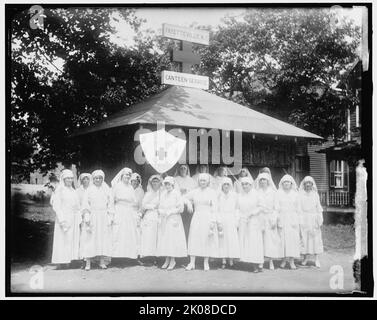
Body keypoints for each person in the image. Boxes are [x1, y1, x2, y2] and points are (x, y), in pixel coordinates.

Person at [185, 173, 219, 271]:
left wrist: (213, 220)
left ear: (208, 181)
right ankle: (192, 262)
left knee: (206, 238)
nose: (202, 182)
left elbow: (215, 207)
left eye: (204, 180)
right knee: (194, 237)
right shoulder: (195, 192)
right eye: (201, 180)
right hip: (197, 216)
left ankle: (206, 262)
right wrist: (189, 204)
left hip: (207, 216)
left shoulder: (212, 192)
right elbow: (183, 197)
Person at [80, 169, 113, 270]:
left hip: (103, 216)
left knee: (102, 239)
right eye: (95, 178)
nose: (98, 180)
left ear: (102, 179)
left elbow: (110, 204)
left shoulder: (106, 189)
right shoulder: (89, 190)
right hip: (92, 216)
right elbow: (85, 204)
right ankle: (88, 262)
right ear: (93, 179)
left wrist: (110, 216)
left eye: (100, 178)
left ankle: (102, 261)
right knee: (90, 239)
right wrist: (87, 216)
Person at [50, 169, 81, 268]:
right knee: (63, 240)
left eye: (71, 178)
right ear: (63, 179)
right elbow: (56, 206)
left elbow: (77, 205)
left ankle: (71, 260)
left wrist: (79, 217)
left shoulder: (73, 191)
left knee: (73, 239)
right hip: (63, 217)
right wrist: (62, 220)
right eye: (68, 178)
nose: (70, 180)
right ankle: (62, 262)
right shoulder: (59, 190)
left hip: (73, 217)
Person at [156, 176, 187, 270]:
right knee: (165, 239)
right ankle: (167, 259)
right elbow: (160, 206)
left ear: (172, 184)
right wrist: (162, 211)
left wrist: (171, 211)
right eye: (165, 184)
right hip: (165, 219)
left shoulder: (176, 194)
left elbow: (181, 208)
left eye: (169, 184)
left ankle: (173, 259)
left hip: (174, 219)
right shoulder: (163, 194)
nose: (167, 186)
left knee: (172, 239)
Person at [111, 167, 139, 261]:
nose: (127, 176)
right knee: (118, 232)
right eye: (126, 174)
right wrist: (112, 213)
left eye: (129, 175)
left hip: (129, 212)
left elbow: (134, 200)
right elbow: (112, 200)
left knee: (128, 233)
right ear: (122, 176)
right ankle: (116, 257)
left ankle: (128, 256)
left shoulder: (130, 187)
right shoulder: (117, 186)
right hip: (119, 210)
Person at [237, 176, 264, 272]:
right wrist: (240, 216)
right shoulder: (240, 195)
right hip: (243, 220)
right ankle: (247, 262)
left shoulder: (256, 194)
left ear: (251, 185)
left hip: (254, 220)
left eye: (246, 184)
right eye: (243, 184)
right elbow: (237, 208)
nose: (244, 186)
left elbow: (261, 207)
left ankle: (256, 263)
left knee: (254, 242)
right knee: (245, 241)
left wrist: (252, 213)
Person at [255, 172, 281, 270]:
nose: (262, 182)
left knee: (270, 240)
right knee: (260, 240)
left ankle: (270, 261)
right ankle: (260, 261)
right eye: (261, 180)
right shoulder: (256, 192)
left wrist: (274, 218)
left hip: (270, 218)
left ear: (268, 181)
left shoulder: (273, 193)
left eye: (264, 180)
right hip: (260, 217)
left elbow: (276, 208)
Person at [275, 174, 301, 270]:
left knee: (292, 240)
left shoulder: (295, 194)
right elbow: (276, 207)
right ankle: (284, 259)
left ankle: (292, 260)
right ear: (282, 183)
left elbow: (299, 208)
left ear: (291, 184)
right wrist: (277, 217)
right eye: (284, 182)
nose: (286, 184)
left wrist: (297, 219)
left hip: (292, 219)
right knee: (283, 240)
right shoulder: (278, 193)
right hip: (282, 218)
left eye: (288, 182)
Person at [298, 176, 324, 268]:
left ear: (312, 184)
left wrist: (319, 219)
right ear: (304, 185)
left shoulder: (315, 195)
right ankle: (305, 258)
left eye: (310, 183)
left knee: (315, 239)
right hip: (304, 218)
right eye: (306, 183)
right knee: (304, 239)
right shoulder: (300, 194)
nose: (308, 185)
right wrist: (300, 219)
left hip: (313, 219)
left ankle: (316, 259)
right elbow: (299, 208)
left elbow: (318, 207)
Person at [216, 177, 240, 269]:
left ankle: (231, 259)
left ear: (230, 186)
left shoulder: (234, 195)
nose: (226, 186)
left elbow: (237, 209)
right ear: (221, 186)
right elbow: (216, 209)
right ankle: (223, 259)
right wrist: (219, 221)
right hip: (222, 218)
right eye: (224, 184)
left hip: (231, 219)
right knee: (222, 240)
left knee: (231, 239)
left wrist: (237, 220)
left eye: (228, 184)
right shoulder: (218, 195)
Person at [140, 175, 162, 262]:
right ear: (151, 183)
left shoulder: (162, 193)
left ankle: (158, 256)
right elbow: (144, 205)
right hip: (150, 215)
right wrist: (153, 206)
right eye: (153, 181)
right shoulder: (148, 193)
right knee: (149, 235)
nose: (155, 183)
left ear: (160, 182)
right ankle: (149, 256)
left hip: (160, 215)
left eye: (157, 181)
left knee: (158, 236)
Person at [174, 164, 196, 240]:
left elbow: (194, 192)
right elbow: (174, 191)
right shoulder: (175, 179)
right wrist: (180, 190)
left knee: (188, 225)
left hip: (189, 205)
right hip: (179, 205)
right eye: (181, 168)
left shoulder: (191, 180)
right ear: (179, 170)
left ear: (187, 170)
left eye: (185, 168)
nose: (183, 170)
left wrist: (187, 191)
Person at [130, 172, 145, 261]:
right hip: (127, 213)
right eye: (133, 181)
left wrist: (140, 214)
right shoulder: (127, 189)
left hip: (136, 213)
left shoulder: (140, 191)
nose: (135, 183)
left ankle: (137, 255)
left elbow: (142, 205)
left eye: (137, 181)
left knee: (137, 234)